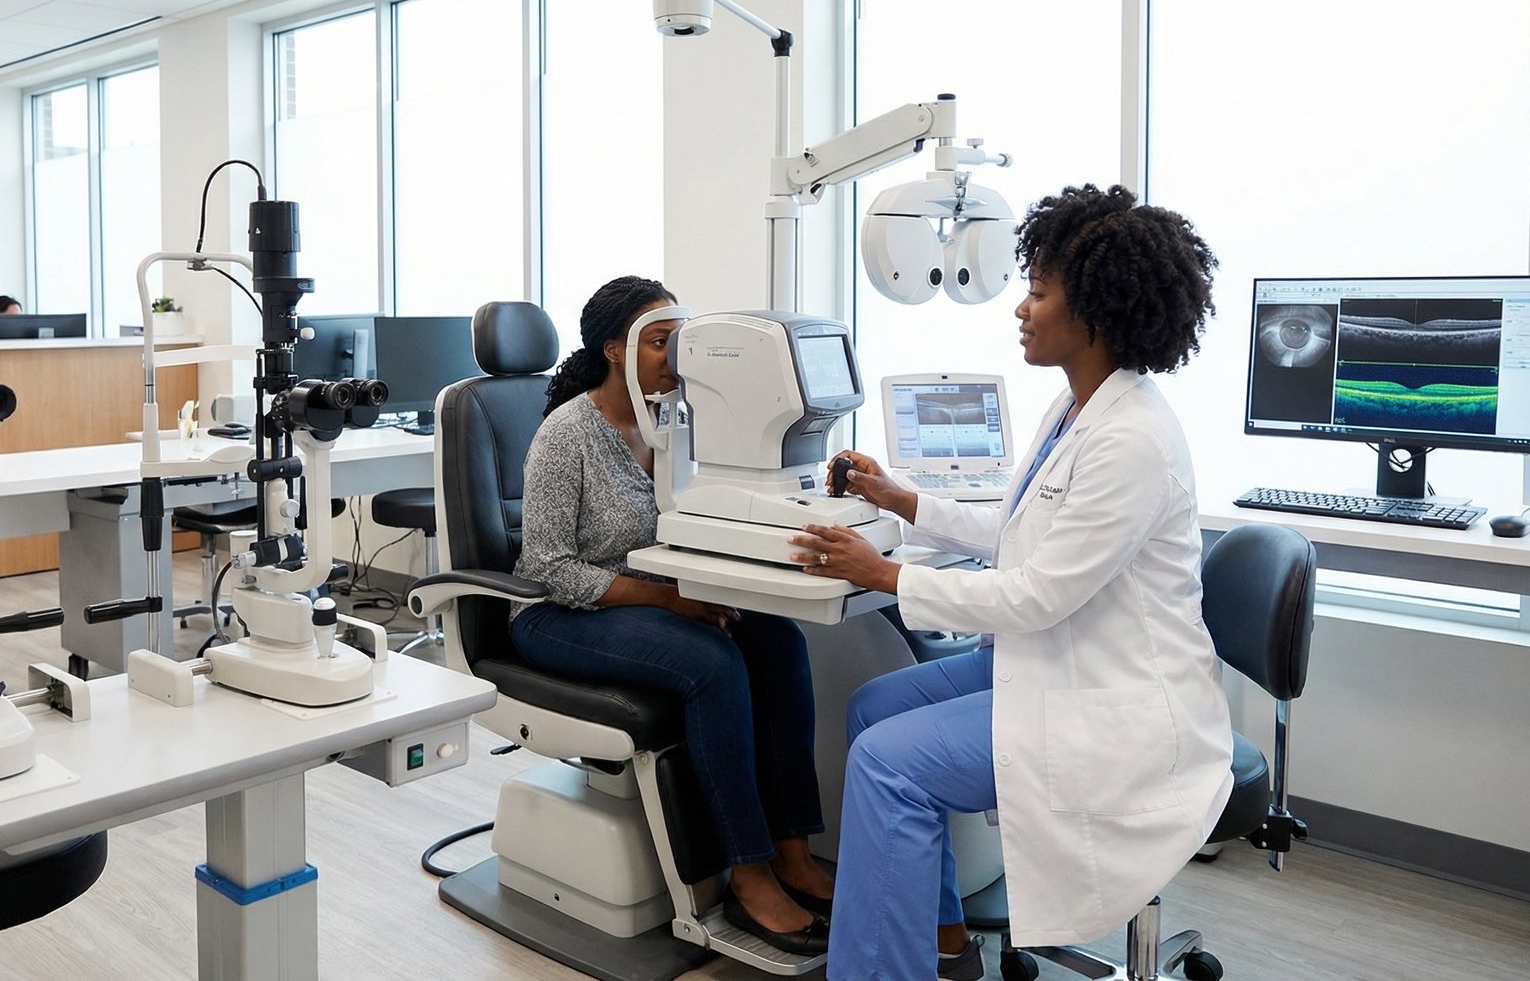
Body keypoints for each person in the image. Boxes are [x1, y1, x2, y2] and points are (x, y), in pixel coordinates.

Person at [789, 184, 1235, 981]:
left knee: (890, 761)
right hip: (1060, 657)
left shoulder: (1130, 439)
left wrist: (884, 573)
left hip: (1111, 703)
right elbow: (1019, 529)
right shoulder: (1077, 409)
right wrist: (901, 498)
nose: (1021, 309)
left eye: (1037, 290)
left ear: (1094, 311)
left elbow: (1036, 594)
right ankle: (938, 935)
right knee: (872, 706)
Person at [513, 276, 834, 956]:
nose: (675, 357)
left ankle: (791, 849)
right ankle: (746, 873)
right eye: (660, 342)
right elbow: (547, 568)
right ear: (614, 351)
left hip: (660, 600)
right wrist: (667, 597)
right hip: (559, 612)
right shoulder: (567, 434)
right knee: (713, 664)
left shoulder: (682, 422)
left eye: (680, 342)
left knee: (778, 640)